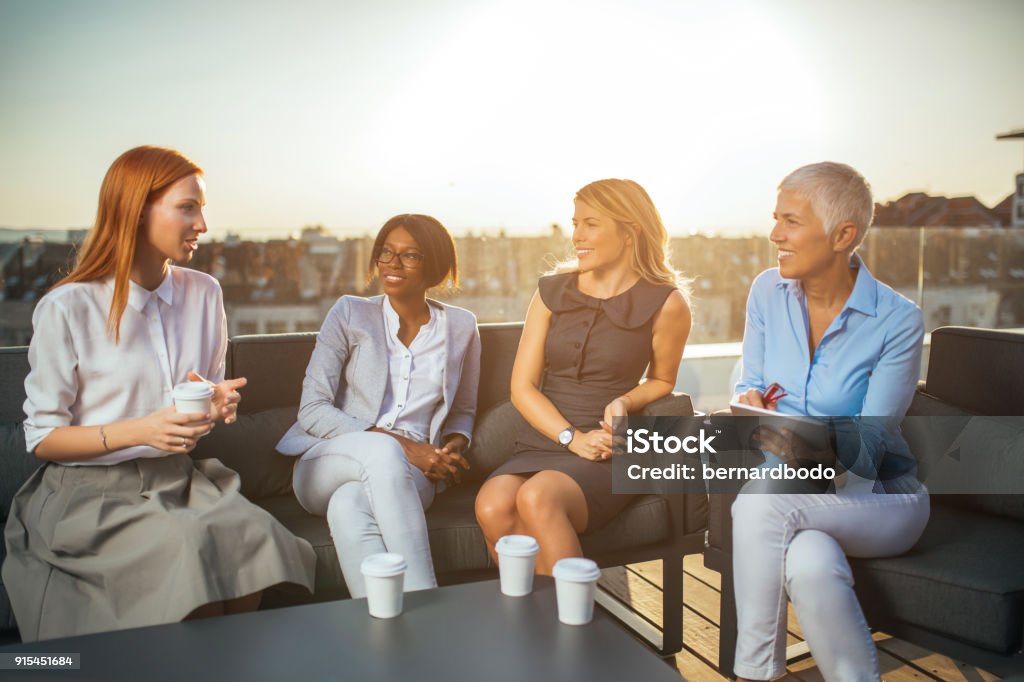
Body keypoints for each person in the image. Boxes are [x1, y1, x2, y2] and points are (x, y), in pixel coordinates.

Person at [2, 146, 316, 642]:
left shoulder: (204, 294)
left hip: (178, 479)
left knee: (257, 539)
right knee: (189, 548)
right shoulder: (67, 308)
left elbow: (200, 400)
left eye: (202, 208)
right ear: (137, 209)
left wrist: (216, 407)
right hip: (88, 494)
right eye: (188, 207)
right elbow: (42, 438)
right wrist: (142, 429)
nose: (203, 224)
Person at [730, 162, 928, 682]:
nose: (775, 234)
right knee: (809, 563)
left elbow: (868, 446)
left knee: (758, 508)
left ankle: (754, 674)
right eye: (776, 218)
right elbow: (747, 382)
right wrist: (749, 399)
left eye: (790, 221)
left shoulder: (897, 320)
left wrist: (787, 441)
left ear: (843, 235)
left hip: (879, 497)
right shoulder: (766, 293)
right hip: (799, 493)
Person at [474, 179, 691, 574]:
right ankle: (537, 619)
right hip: (548, 437)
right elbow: (521, 388)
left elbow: (662, 380)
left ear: (630, 232)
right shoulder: (549, 293)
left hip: (611, 448)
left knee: (538, 497)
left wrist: (627, 400)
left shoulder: (667, 303)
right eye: (575, 223)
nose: (577, 236)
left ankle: (573, 627)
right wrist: (570, 438)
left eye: (591, 224)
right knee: (491, 504)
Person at [277, 214, 480, 597]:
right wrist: (406, 447)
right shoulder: (350, 312)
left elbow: (463, 409)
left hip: (413, 474)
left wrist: (453, 445)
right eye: (386, 252)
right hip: (327, 460)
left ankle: (384, 628)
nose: (392, 263)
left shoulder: (462, 326)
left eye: (410, 256)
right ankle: (429, 601)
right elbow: (313, 409)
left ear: (434, 264)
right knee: (381, 452)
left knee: (349, 504)